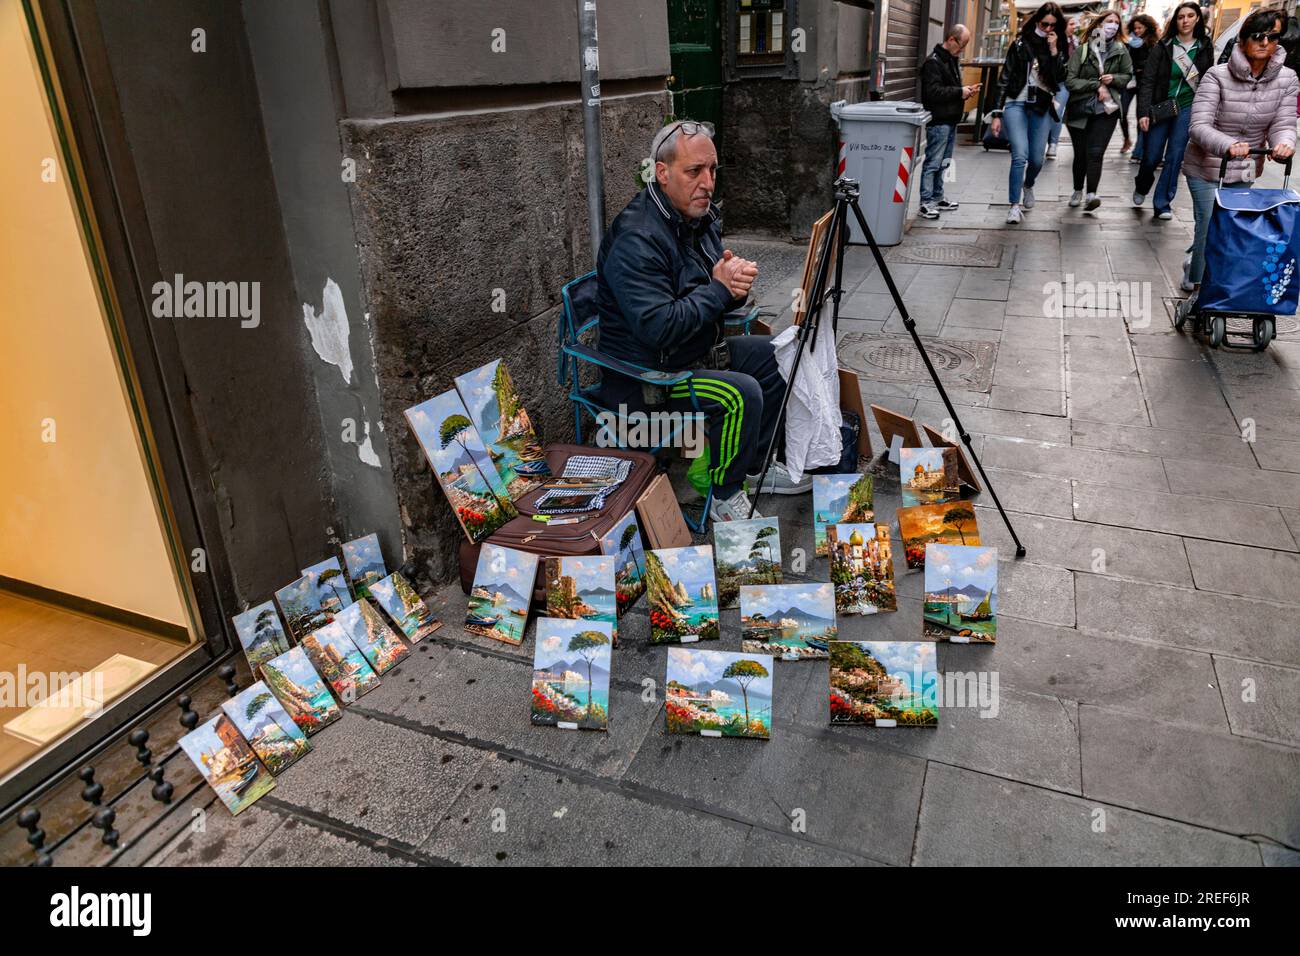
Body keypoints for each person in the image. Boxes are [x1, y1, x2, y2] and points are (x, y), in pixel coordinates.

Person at [595, 121, 811, 524]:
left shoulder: (698, 217)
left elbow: (712, 286)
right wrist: (718, 290)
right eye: (694, 172)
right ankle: (724, 494)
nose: (707, 182)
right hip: (651, 377)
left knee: (783, 354)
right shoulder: (637, 238)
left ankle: (752, 468)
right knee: (740, 394)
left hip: (695, 351)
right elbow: (658, 327)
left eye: (712, 170)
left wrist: (735, 286)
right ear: (662, 173)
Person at [1182, 8, 1299, 292]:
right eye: (1258, 36)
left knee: (1234, 228)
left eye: (1272, 37)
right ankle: (1199, 284)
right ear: (1244, 40)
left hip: (1245, 167)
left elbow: (1282, 123)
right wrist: (1228, 145)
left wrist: (1284, 144)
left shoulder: (1287, 79)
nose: (1264, 43)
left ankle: (1218, 277)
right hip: (1206, 164)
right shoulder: (1216, 76)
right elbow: (1198, 125)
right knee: (1210, 224)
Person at [989, 3, 1069, 224]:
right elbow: (1004, 78)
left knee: (1036, 158)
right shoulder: (1020, 43)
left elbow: (1060, 79)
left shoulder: (1058, 44)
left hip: (1041, 105)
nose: (1048, 28)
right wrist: (997, 113)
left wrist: (1054, 52)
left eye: (1053, 25)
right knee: (1019, 156)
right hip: (1016, 103)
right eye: (1045, 23)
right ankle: (1014, 206)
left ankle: (1029, 184)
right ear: (1037, 21)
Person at [1133, 3, 1213, 220]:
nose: (1185, 21)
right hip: (1162, 107)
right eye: (1180, 17)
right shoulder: (1164, 45)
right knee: (1151, 157)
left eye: (1190, 16)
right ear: (1175, 20)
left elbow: (1208, 81)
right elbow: (1147, 81)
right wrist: (1143, 112)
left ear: (1197, 19)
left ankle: (1163, 203)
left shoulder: (1205, 46)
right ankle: (1142, 185)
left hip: (1187, 107)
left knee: (1175, 156)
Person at [1064, 11, 1133, 210]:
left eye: (1116, 23)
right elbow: (1071, 81)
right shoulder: (1083, 50)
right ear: (1098, 24)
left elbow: (1127, 76)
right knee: (1080, 154)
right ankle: (1078, 189)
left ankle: (1091, 194)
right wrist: (1095, 85)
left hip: (1106, 110)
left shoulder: (1121, 50)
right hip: (1080, 108)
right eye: (1108, 22)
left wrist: (1114, 79)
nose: (1112, 26)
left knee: (1096, 152)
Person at [919, 24, 979, 219]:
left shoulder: (950, 60)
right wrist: (960, 92)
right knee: (933, 162)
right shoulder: (933, 62)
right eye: (962, 45)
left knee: (944, 162)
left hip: (950, 120)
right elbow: (932, 93)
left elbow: (950, 88)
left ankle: (937, 197)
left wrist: (965, 90)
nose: (962, 50)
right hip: (939, 121)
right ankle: (926, 202)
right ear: (952, 40)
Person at [1121, 15, 1160, 161]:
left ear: (1147, 27)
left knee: (1140, 114)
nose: (1137, 31)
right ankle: (1127, 139)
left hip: (1144, 83)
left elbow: (1151, 64)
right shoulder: (1129, 41)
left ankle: (1139, 147)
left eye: (1140, 28)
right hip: (1129, 81)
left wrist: (1140, 67)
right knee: (1121, 112)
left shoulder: (1152, 42)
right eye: (1135, 28)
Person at [1045, 15, 1081, 160]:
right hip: (1055, 81)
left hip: (1070, 82)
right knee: (1052, 112)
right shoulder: (1054, 40)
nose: (1074, 27)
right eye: (1071, 24)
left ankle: (1055, 143)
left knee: (1063, 112)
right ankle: (1049, 142)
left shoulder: (1075, 41)